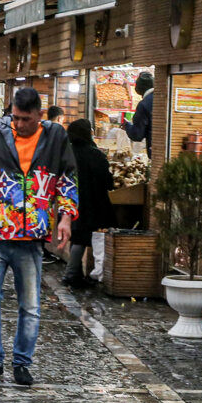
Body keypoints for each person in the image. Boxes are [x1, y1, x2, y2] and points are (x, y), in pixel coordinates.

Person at [0, 87, 77, 387]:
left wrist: (65, 217)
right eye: (15, 117)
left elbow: (67, 179)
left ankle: (22, 363)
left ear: (40, 114)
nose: (19, 124)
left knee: (31, 307)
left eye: (25, 119)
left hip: (31, 240)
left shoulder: (55, 138)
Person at [64, 119, 114, 288]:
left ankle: (75, 273)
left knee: (77, 235)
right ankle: (72, 274)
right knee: (83, 237)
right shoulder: (95, 154)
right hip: (93, 201)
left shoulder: (67, 152)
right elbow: (108, 181)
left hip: (72, 200)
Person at [122, 71, 154, 155]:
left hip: (155, 151)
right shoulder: (165, 96)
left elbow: (137, 134)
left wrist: (127, 125)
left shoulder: (144, 104)